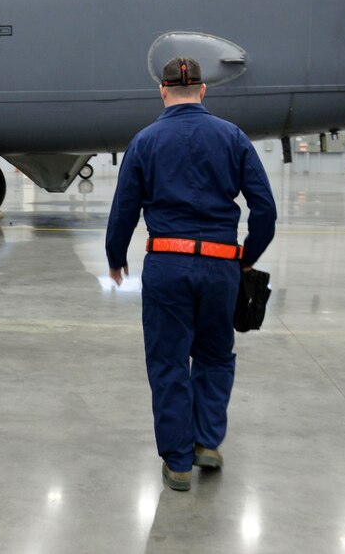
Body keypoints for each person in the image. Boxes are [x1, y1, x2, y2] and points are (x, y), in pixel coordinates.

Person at [105, 57, 277, 491]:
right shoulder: (233, 137)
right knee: (216, 356)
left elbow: (124, 208)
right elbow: (265, 210)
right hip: (222, 266)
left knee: (168, 361)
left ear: (162, 91)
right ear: (203, 91)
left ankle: (178, 463)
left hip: (167, 264)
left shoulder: (145, 141)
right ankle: (207, 443)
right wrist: (247, 256)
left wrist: (115, 255)